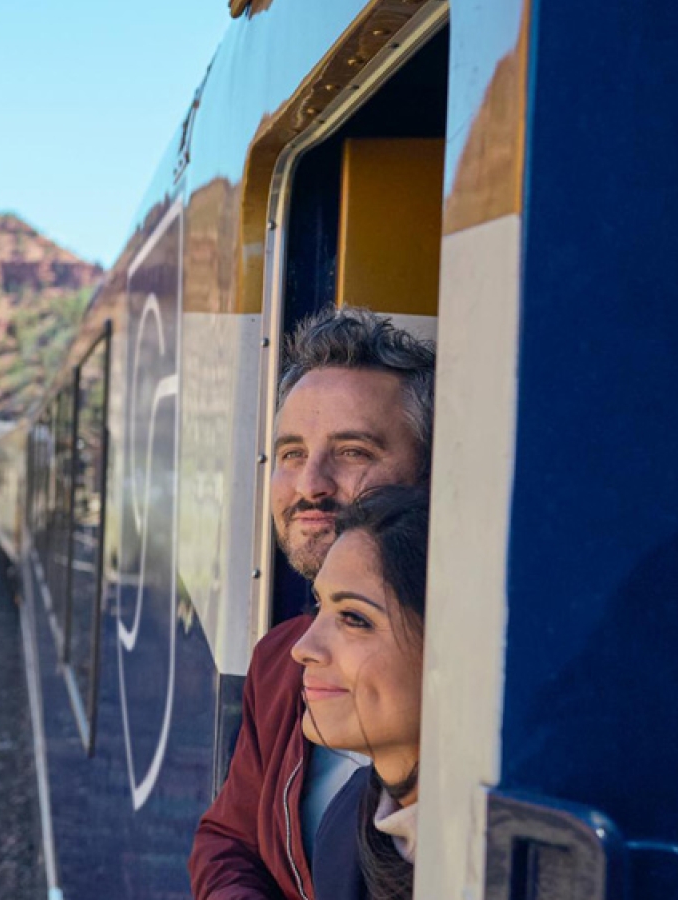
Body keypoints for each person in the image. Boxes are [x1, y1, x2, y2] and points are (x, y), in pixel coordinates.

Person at [188, 307, 437, 900]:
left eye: (353, 451)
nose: (309, 485)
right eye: (291, 453)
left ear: (432, 475)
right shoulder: (281, 657)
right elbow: (229, 839)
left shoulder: (477, 683)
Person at [298, 486, 430, 900]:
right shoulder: (346, 826)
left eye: (354, 618)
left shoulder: (528, 859)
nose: (303, 647)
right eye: (319, 607)